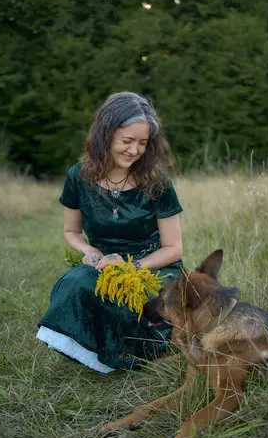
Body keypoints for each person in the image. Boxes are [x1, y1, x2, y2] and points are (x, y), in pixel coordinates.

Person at [37, 92, 183, 373]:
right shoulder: (79, 177)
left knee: (143, 305)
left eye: (143, 143)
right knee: (74, 283)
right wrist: (90, 251)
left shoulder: (157, 182)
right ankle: (94, 354)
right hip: (105, 263)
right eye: (127, 141)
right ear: (106, 134)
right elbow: (71, 231)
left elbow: (173, 249)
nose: (134, 150)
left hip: (152, 265)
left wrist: (132, 267)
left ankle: (138, 355)